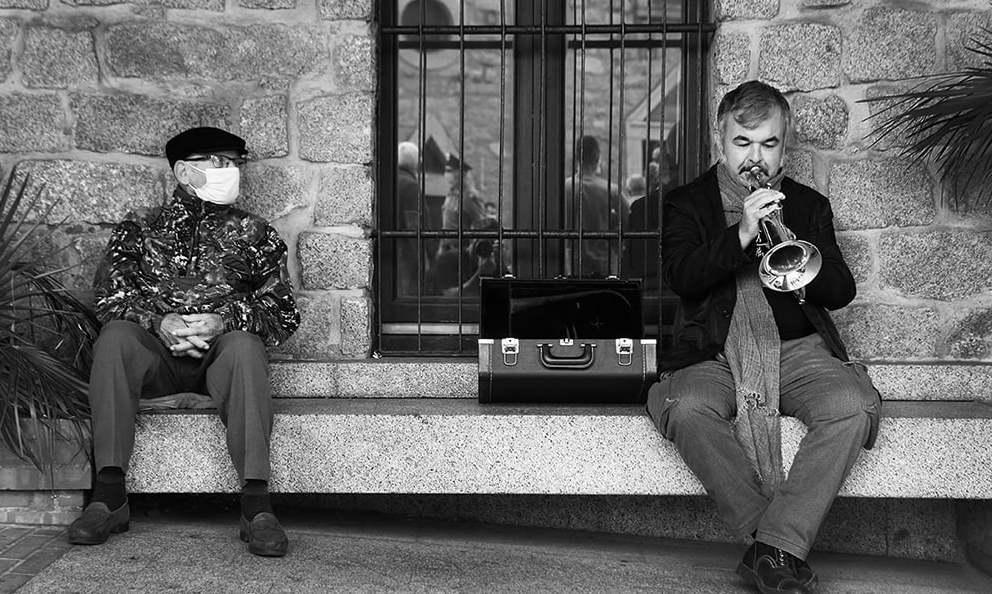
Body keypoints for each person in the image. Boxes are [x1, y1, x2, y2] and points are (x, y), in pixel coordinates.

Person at [647, 81, 880, 594]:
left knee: (853, 404)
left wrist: (793, 244)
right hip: (714, 351)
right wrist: (743, 234)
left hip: (797, 351)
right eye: (743, 143)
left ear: (784, 144)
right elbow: (682, 277)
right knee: (684, 406)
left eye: (768, 144)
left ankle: (768, 551)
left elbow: (840, 290)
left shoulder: (808, 204)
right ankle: (776, 547)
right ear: (720, 139)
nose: (755, 158)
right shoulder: (687, 204)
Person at [68, 127, 301, 558]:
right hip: (155, 359)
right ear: (183, 171)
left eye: (235, 163)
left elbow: (283, 313)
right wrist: (159, 322)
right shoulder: (139, 227)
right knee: (116, 337)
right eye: (219, 161)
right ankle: (109, 496)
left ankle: (257, 507)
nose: (230, 171)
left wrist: (221, 321)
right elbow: (108, 299)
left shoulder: (255, 233)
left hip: (222, 360)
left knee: (247, 348)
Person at [563, 135, 628, 278]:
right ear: (597, 157)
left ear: (576, 158)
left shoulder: (562, 189)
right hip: (604, 264)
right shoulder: (611, 190)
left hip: (570, 263)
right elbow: (629, 221)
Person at [396, 141, 428, 296]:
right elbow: (413, 226)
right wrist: (422, 259)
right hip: (406, 253)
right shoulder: (410, 185)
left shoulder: (391, 181)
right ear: (416, 162)